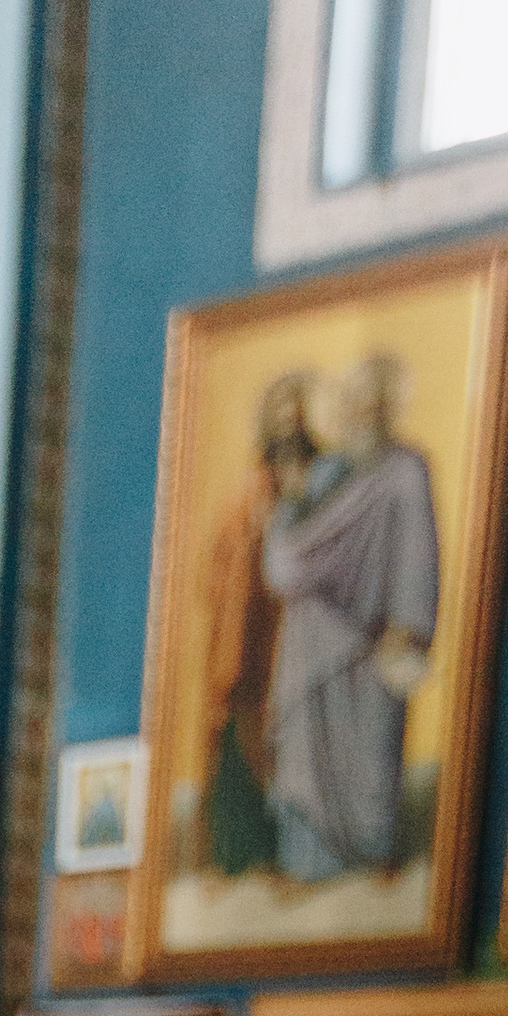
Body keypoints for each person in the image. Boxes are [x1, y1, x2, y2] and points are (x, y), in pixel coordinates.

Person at [260, 352, 440, 881]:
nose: (362, 412)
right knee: (306, 744)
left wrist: (408, 624)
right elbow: (290, 548)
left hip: (374, 637)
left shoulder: (405, 470)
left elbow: (419, 554)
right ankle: (307, 862)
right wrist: (291, 505)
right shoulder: (331, 471)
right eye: (354, 402)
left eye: (374, 402)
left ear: (388, 408)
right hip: (312, 632)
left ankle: (375, 850)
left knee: (372, 747)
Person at [197, 368, 316, 875]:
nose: (289, 422)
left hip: (299, 631)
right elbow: (219, 568)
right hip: (248, 634)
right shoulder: (248, 489)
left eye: (296, 412)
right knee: (237, 735)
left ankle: (293, 847)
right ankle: (236, 853)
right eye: (280, 413)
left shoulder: (321, 477)